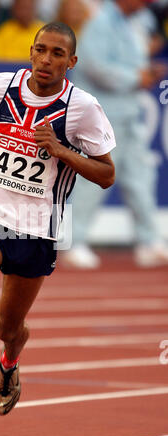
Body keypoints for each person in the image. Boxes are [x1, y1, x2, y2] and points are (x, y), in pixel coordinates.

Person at [0, 21, 116, 431]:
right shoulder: (2, 85)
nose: (47, 60)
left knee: (9, 327)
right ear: (30, 51)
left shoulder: (82, 108)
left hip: (36, 226)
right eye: (41, 50)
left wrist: (61, 150)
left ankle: (10, 361)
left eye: (57, 53)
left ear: (72, 61)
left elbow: (106, 174)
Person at [60, 0, 168, 269]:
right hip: (100, 115)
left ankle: (148, 242)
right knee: (91, 179)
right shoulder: (100, 23)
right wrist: (136, 77)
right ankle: (74, 242)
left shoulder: (136, 23)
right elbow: (96, 67)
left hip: (129, 113)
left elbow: (133, 62)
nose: (145, 3)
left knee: (141, 178)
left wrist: (143, 73)